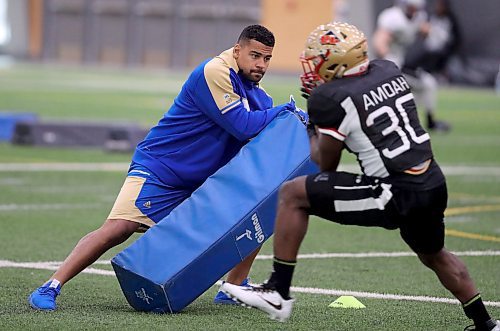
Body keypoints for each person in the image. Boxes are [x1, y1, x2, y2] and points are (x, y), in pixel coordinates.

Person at [221, 22, 499, 331]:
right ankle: (486, 325)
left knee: (293, 194)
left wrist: (315, 122)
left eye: (319, 59)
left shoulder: (330, 98)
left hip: (394, 190)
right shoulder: (388, 69)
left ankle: (278, 290)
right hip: (432, 181)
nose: (314, 66)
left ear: (338, 62)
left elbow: (325, 164)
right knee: (435, 255)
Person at [29, 24, 301, 311]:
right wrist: (285, 111)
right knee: (118, 228)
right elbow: (243, 127)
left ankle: (234, 286)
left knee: (258, 210)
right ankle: (51, 286)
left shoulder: (260, 96)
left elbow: (262, 139)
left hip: (199, 181)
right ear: (237, 50)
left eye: (267, 58)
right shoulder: (215, 71)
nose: (261, 64)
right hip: (161, 168)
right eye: (254, 55)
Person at [372, 0, 450, 132]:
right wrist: (388, 60)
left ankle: (427, 121)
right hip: (389, 65)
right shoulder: (392, 17)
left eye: (416, 8)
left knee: (427, 84)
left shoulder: (419, 17)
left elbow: (426, 30)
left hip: (403, 64)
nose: (414, 11)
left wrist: (434, 33)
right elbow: (379, 41)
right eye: (411, 7)